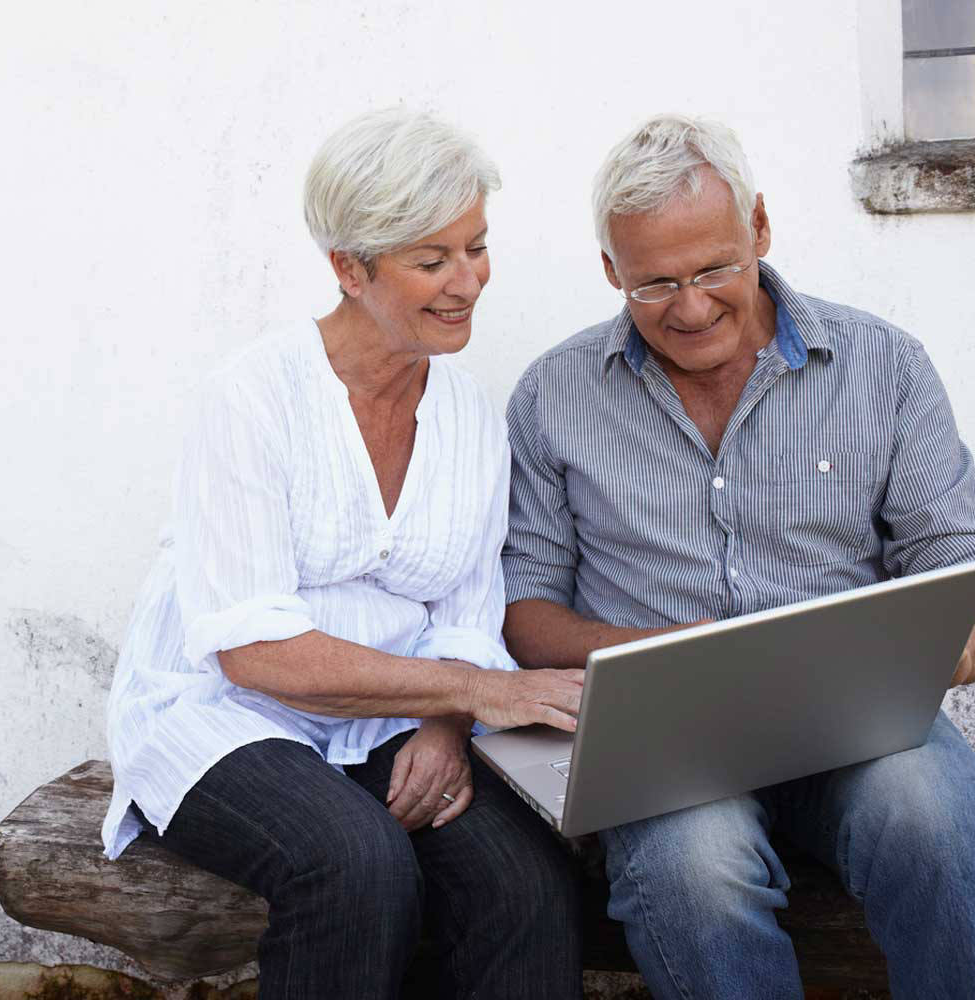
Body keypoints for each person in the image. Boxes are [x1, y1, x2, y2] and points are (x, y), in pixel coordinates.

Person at [501, 114, 975, 999]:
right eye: (652, 285)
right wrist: (668, 657)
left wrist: (956, 639)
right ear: (611, 271)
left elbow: (959, 556)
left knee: (933, 817)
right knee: (695, 872)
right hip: (667, 739)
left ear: (759, 228)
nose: (689, 309)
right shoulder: (552, 396)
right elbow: (527, 611)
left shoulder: (884, 366)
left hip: (861, 723)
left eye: (714, 270)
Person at [102, 108, 585, 1000]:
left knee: (528, 890)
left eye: (475, 247)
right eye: (431, 261)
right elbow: (256, 650)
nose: (468, 282)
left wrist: (446, 727)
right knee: (356, 864)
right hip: (226, 712)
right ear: (349, 269)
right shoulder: (252, 399)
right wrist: (475, 695)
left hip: (397, 715)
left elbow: (469, 618)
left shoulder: (470, 416)